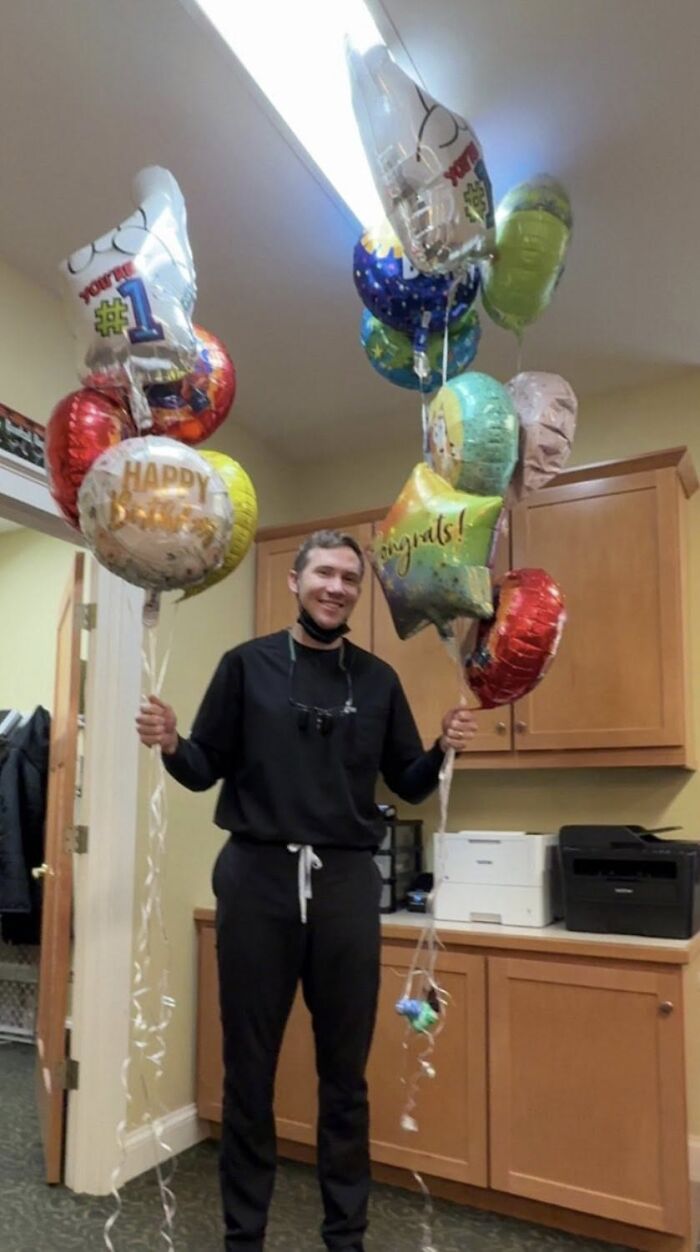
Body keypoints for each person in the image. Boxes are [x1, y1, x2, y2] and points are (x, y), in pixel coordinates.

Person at [136, 529, 477, 1252]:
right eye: (323, 572)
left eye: (350, 578)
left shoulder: (379, 680)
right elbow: (204, 768)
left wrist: (444, 746)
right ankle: (244, 1237)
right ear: (295, 581)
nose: (337, 587)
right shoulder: (245, 667)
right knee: (249, 1071)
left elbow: (406, 779)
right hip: (256, 879)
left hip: (348, 884)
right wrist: (171, 743)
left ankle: (345, 1236)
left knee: (345, 1075)